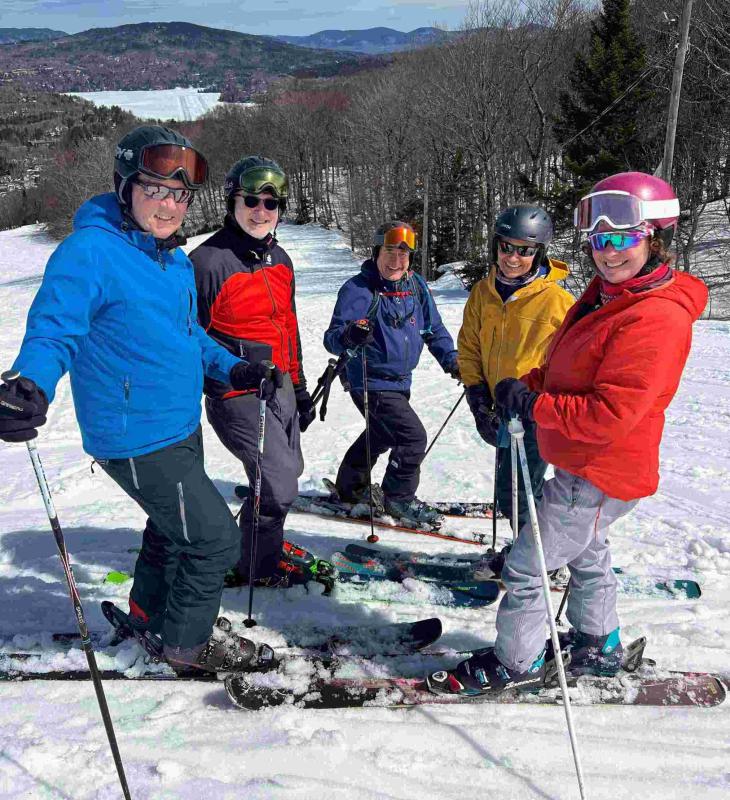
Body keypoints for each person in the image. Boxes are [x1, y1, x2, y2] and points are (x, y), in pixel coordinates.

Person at [0, 125, 279, 674]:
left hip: (178, 424)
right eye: (155, 188)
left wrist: (235, 366)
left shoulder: (169, 258)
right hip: (134, 436)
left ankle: (151, 612)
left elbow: (187, 334)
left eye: (179, 194)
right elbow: (56, 328)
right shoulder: (90, 252)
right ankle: (185, 642)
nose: (170, 204)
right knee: (215, 541)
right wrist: (29, 383)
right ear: (125, 186)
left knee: (171, 532)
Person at [431, 171, 708, 695]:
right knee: (588, 552)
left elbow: (611, 412)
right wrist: (526, 384)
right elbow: (564, 364)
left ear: (655, 237)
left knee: (527, 566)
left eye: (623, 238)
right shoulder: (609, 295)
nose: (608, 252)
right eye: (600, 239)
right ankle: (597, 639)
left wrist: (535, 405)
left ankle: (517, 661)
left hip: (599, 467)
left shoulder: (653, 317)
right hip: (587, 464)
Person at [190, 156, 314, 587]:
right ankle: (256, 568)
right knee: (279, 485)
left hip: (277, 387)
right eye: (251, 200)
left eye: (271, 202)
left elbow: (289, 327)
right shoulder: (207, 262)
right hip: (236, 393)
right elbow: (189, 338)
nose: (261, 211)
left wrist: (297, 386)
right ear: (232, 201)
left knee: (286, 471)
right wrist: (218, 382)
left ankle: (256, 544)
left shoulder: (280, 259)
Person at [323, 221, 460, 527]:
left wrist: (452, 361)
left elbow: (432, 328)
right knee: (412, 437)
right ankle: (398, 498)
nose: (396, 260)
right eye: (389, 251)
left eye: (404, 253)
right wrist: (350, 336)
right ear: (376, 252)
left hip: (400, 382)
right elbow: (332, 338)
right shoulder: (358, 290)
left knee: (381, 432)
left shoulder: (415, 285)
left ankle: (350, 486)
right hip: (369, 381)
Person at [458, 205, 574, 533]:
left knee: (520, 495)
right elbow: (469, 347)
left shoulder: (557, 302)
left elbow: (572, 363)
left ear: (538, 254)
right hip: (499, 408)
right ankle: (529, 551)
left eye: (524, 251)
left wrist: (539, 402)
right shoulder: (483, 293)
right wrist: (477, 396)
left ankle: (535, 561)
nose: (512, 257)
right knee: (508, 490)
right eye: (506, 247)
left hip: (534, 412)